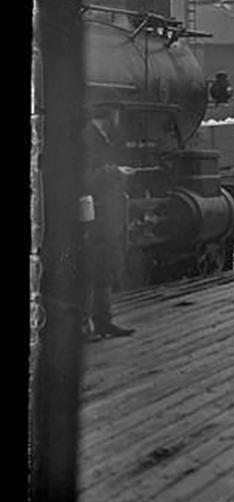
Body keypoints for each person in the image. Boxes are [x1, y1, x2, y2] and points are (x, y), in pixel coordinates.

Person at [81, 104, 137, 340]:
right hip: (89, 213)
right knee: (89, 268)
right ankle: (83, 324)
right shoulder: (86, 139)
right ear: (109, 113)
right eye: (116, 112)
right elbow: (84, 178)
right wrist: (116, 172)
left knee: (103, 266)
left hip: (104, 212)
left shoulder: (102, 138)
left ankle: (103, 320)